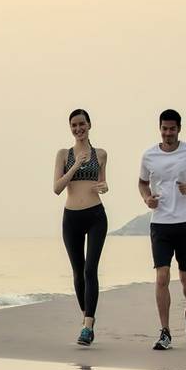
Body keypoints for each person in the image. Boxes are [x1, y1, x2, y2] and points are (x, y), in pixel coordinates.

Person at [138, 109, 186, 350]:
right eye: (164, 128)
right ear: (159, 129)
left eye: (172, 129)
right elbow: (142, 182)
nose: (168, 133)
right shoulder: (149, 155)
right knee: (162, 277)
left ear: (179, 129)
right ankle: (165, 332)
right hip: (160, 223)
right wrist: (146, 199)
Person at [54, 109, 109, 346]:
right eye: (74, 126)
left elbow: (102, 182)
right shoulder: (64, 154)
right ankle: (86, 318)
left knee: (90, 270)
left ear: (89, 125)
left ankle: (88, 325)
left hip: (96, 215)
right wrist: (75, 165)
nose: (78, 129)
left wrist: (105, 187)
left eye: (82, 124)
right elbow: (57, 187)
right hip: (71, 218)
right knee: (78, 272)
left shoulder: (101, 154)